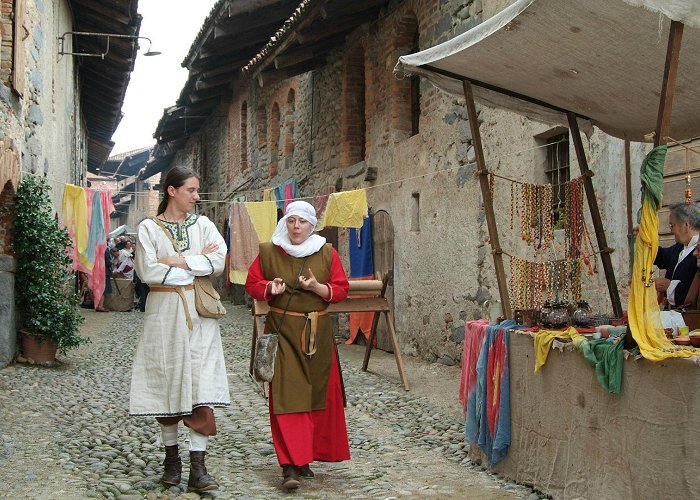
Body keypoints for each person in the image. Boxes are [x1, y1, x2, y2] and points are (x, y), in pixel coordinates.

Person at [129, 166, 230, 492]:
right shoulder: (148, 227)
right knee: (168, 380)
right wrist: (194, 263)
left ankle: (198, 468)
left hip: (199, 316)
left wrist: (179, 261)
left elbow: (218, 261)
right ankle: (171, 460)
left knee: (200, 384)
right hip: (164, 312)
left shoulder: (204, 224)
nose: (197, 197)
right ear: (172, 190)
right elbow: (148, 271)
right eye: (191, 190)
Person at [245, 200, 351, 491]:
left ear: (311, 225)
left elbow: (341, 289)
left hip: (318, 332)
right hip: (283, 332)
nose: (296, 227)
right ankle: (289, 465)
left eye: (302, 222)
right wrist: (269, 288)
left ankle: (304, 460)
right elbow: (252, 284)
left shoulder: (327, 252)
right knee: (287, 395)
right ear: (285, 222)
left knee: (315, 395)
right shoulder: (269, 251)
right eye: (291, 221)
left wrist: (318, 288)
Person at [654, 202, 700, 309]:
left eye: (672, 225)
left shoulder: (698, 254)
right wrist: (646, 239)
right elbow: (661, 256)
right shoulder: (680, 247)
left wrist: (669, 286)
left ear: (686, 225)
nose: (671, 230)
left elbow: (694, 289)